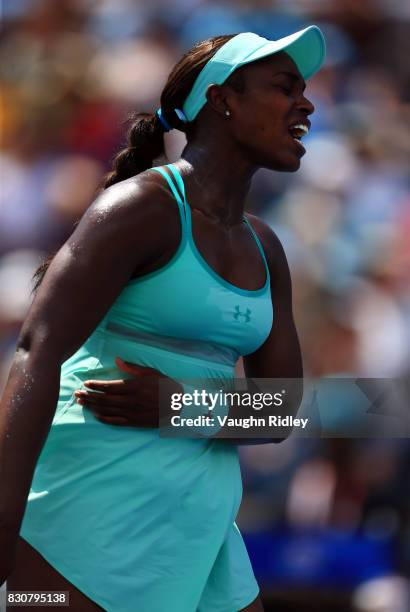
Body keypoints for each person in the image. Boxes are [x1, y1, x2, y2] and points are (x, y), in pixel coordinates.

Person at [0, 25, 325, 612]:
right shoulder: (140, 208)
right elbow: (34, 355)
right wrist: (3, 516)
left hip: (197, 523)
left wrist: (178, 405)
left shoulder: (266, 246)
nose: (305, 103)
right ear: (222, 99)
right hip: (81, 509)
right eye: (283, 87)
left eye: (304, 89)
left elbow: (283, 409)